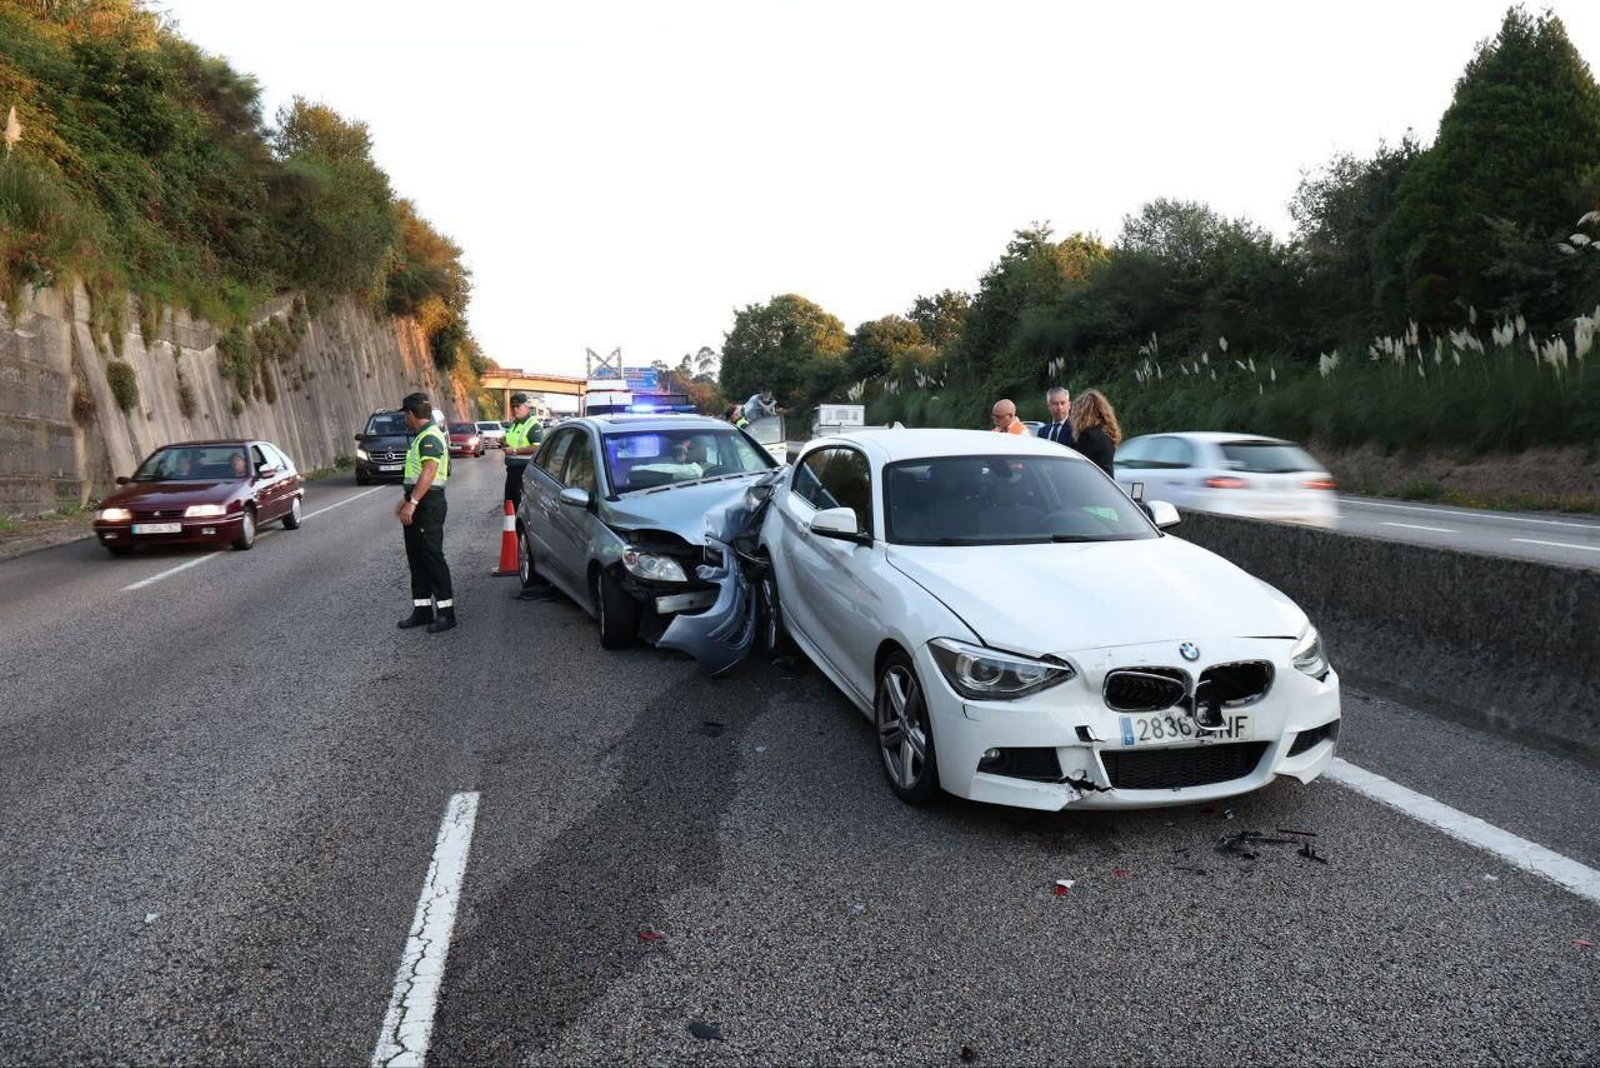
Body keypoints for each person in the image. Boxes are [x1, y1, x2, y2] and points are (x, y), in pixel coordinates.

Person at [395, 392, 456, 633]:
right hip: (419, 501)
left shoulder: (430, 437)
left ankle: (446, 613)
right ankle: (422, 611)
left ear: (410, 414)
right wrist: (406, 500)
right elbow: (416, 475)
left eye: (405, 416)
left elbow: (429, 472)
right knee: (417, 558)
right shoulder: (422, 436)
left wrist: (413, 502)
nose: (405, 420)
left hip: (428, 504)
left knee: (431, 557)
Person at [501, 393, 544, 507]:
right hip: (512, 471)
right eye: (513, 407)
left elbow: (537, 447)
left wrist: (514, 451)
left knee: (519, 505)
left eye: (518, 407)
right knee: (509, 504)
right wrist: (503, 441)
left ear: (526, 407)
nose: (515, 410)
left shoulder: (533, 425)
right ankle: (511, 525)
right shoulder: (514, 424)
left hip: (524, 472)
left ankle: (516, 524)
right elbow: (515, 440)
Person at [1070, 388, 1122, 477]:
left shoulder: (1087, 436)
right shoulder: (1107, 433)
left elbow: (1078, 469)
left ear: (1082, 413)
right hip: (1107, 483)